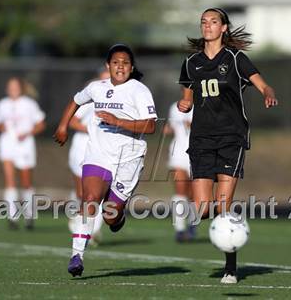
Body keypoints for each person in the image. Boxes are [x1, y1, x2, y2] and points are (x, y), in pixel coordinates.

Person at [177, 8, 278, 284]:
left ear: (223, 28)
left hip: (231, 137)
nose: (207, 26)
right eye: (203, 22)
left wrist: (268, 93)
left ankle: (230, 268)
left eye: (213, 22)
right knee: (201, 209)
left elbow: (263, 86)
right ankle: (224, 232)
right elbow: (186, 97)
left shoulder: (236, 59)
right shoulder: (191, 62)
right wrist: (183, 103)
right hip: (200, 139)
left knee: (223, 206)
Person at [53, 44, 157, 277]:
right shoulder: (96, 88)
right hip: (98, 155)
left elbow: (150, 126)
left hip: (129, 158)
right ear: (108, 66)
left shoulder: (139, 91)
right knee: (89, 199)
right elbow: (76, 101)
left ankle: (117, 217)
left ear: (131, 67)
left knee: (110, 215)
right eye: (116, 62)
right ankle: (76, 256)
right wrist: (62, 126)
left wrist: (117, 121)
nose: (120, 66)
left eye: (125, 63)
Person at [0, 77, 46, 230]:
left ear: (21, 88)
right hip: (7, 144)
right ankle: (12, 217)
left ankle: (29, 216)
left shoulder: (30, 104)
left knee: (26, 183)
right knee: (9, 181)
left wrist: (27, 132)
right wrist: (1, 127)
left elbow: (41, 124)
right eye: (10, 86)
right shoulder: (2, 104)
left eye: (15, 86)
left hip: (25, 145)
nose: (12, 89)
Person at [67, 68, 110, 245]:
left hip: (101, 151)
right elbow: (73, 121)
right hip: (81, 149)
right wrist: (91, 130)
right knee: (83, 194)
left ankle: (91, 231)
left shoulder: (118, 101)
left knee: (97, 193)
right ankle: (79, 222)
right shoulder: (91, 101)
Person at [163, 101, 195, 242]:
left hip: (198, 153)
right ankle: (180, 230)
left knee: (194, 194)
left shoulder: (203, 105)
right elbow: (171, 127)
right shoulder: (174, 107)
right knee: (180, 191)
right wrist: (168, 129)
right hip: (178, 153)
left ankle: (192, 226)